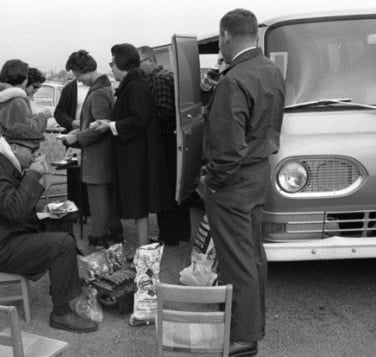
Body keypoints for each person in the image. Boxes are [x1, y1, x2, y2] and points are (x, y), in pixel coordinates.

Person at [202, 9, 285, 357]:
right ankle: (251, 325)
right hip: (257, 173)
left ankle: (243, 336)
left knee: (236, 261)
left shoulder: (233, 80)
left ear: (225, 37)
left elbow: (228, 147)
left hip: (234, 180)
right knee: (252, 256)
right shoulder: (270, 70)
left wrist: (212, 181)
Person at [0, 123, 98, 333]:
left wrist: (44, 209)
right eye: (33, 151)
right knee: (63, 243)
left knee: (61, 228)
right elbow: (16, 211)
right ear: (14, 147)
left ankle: (64, 284)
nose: (36, 156)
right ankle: (61, 313)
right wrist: (33, 176)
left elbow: (14, 206)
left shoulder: (4, 164)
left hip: (6, 237)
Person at [91, 43, 172, 247]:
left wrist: (111, 125)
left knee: (139, 203)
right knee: (138, 204)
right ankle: (142, 248)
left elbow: (138, 119)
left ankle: (143, 250)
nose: (111, 68)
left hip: (136, 155)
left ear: (121, 64)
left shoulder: (135, 86)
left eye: (112, 63)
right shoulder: (134, 84)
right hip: (136, 153)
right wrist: (109, 124)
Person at [60, 50, 123, 247]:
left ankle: (99, 235)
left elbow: (100, 129)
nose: (78, 80)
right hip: (102, 153)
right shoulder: (104, 88)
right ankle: (113, 230)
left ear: (85, 70)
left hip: (98, 155)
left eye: (78, 75)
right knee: (105, 196)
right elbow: (99, 124)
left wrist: (75, 137)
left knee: (98, 198)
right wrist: (83, 126)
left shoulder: (97, 93)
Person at [137, 45, 191, 246]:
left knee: (164, 190)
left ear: (150, 60)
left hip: (165, 141)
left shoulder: (158, 80)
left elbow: (163, 112)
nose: (138, 68)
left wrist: (142, 123)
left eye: (139, 63)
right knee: (179, 192)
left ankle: (168, 235)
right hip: (174, 141)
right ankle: (182, 232)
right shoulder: (168, 75)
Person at [0, 59, 34, 158]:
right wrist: (43, 117)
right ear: (24, 79)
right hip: (12, 162)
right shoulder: (17, 102)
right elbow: (27, 135)